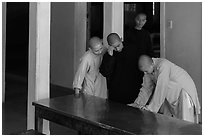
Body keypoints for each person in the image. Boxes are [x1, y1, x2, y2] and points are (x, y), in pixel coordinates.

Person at [136, 55, 200, 123]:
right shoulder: (149, 71)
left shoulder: (163, 65)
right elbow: (146, 89)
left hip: (184, 92)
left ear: (152, 64)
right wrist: (137, 104)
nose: (145, 73)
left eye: (146, 71)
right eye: (144, 72)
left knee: (186, 123)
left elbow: (161, 89)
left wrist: (150, 109)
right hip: (173, 94)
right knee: (173, 123)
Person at [122, 13, 153, 102]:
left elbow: (149, 49)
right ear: (135, 19)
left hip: (144, 63)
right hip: (131, 63)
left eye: (143, 20)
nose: (140, 22)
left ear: (145, 21)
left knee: (143, 84)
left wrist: (151, 61)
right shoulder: (128, 33)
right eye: (138, 19)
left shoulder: (146, 34)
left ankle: (140, 103)